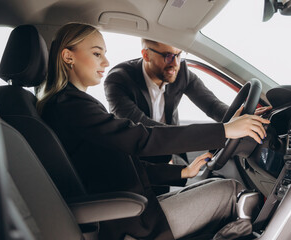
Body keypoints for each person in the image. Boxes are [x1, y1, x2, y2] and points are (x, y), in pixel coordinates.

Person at [37, 23, 270, 240]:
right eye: (97, 53)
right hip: (131, 219)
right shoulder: (73, 106)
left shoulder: (69, 104)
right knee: (232, 190)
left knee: (216, 186)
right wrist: (225, 130)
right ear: (68, 56)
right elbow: (141, 137)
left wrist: (183, 172)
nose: (106, 62)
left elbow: (117, 163)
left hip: (133, 205)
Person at [104, 39, 271, 164]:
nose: (175, 64)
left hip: (171, 151)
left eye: (178, 55)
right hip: (135, 161)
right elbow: (146, 129)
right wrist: (223, 130)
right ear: (146, 55)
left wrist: (239, 116)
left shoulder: (182, 73)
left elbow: (212, 106)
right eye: (168, 56)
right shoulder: (119, 80)